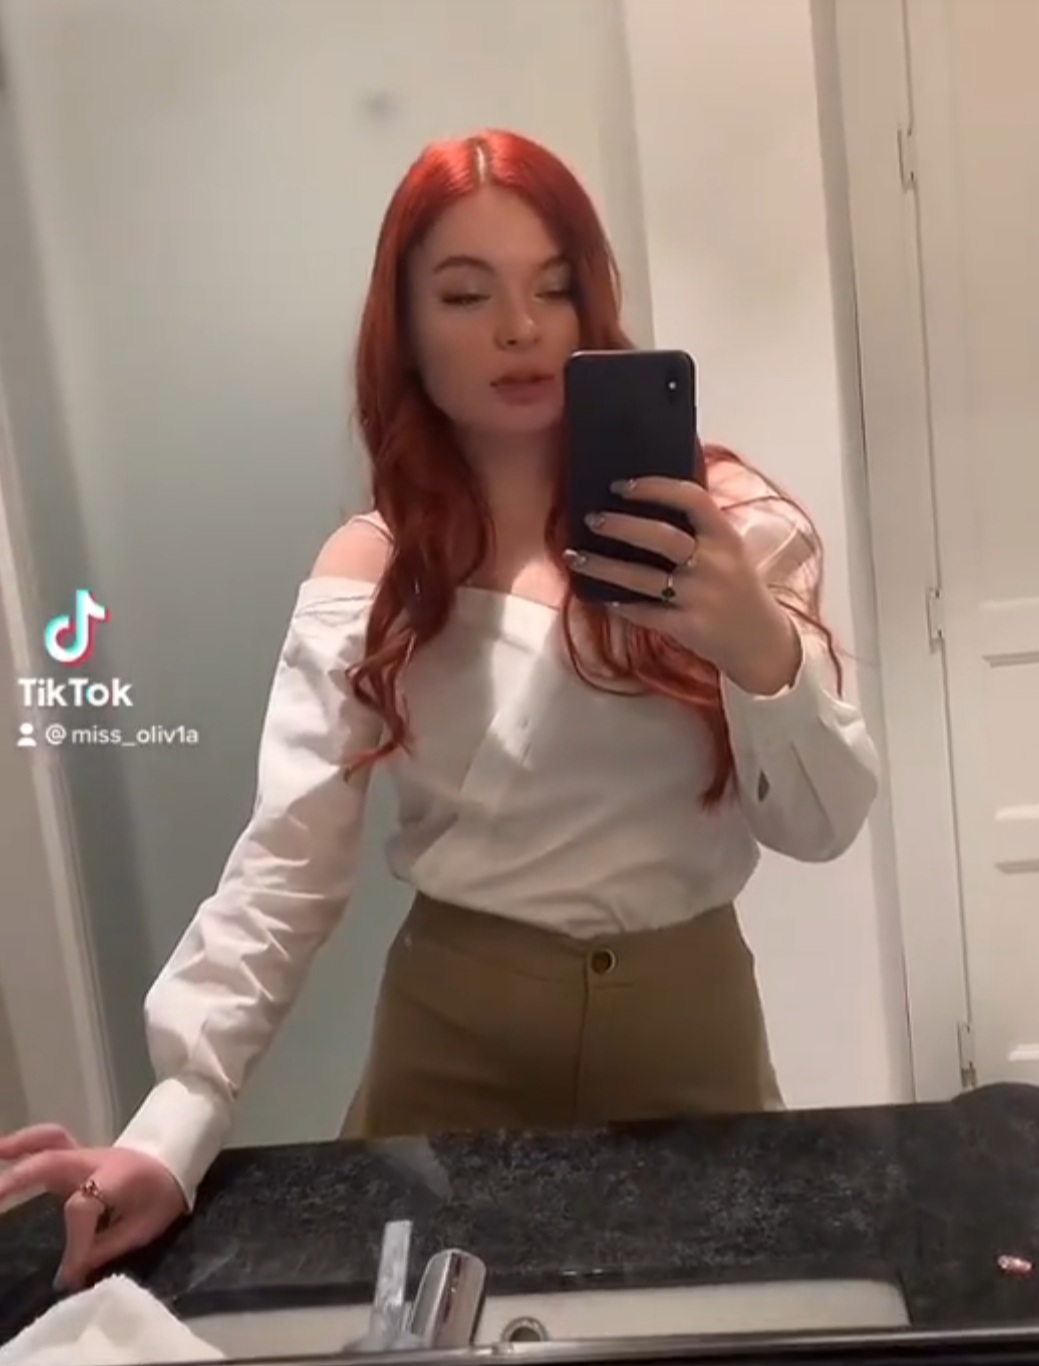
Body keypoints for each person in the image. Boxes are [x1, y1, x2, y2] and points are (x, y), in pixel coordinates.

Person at [0, 128, 879, 1289]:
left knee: (713, 1321)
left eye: (553, 287)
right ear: (405, 330)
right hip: (451, 1044)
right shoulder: (375, 571)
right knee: (424, 1333)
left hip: (692, 1036)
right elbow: (288, 863)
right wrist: (176, 1120)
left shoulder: (728, 527)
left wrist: (757, 644)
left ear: (592, 305)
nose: (520, 327)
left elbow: (823, 824)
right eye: (467, 294)